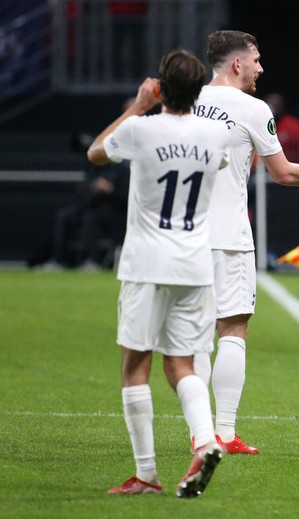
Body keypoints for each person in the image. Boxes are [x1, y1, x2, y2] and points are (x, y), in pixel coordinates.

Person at [192, 30, 299, 456]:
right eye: (256, 60)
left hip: (186, 238)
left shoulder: (186, 100)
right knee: (233, 328)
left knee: (197, 335)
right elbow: (282, 172)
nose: (261, 68)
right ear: (237, 64)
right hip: (229, 236)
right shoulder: (253, 109)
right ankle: (223, 433)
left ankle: (200, 433)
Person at [87, 49, 229, 497]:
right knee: (182, 363)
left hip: (147, 263)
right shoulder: (215, 134)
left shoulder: (140, 129)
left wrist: (137, 104)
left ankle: (146, 475)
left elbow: (95, 154)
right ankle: (205, 440)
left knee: (135, 368)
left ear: (160, 89)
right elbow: (216, 163)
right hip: (194, 264)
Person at [265, 92, 299, 165]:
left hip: (293, 168)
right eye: (270, 105)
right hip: (267, 170)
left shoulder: (293, 126)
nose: (272, 108)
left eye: (276, 105)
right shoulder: (261, 124)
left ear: (282, 107)